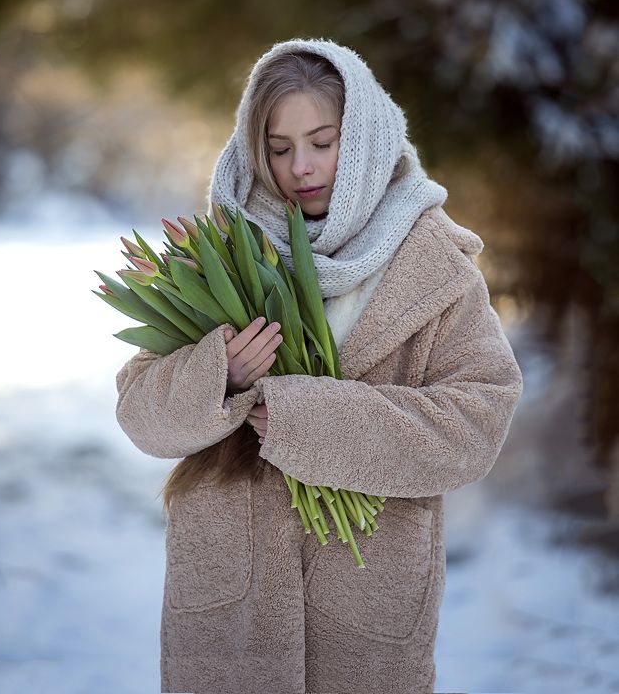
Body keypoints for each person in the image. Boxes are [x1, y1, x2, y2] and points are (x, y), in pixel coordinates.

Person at [115, 37, 524, 694]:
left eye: (322, 142)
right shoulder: (218, 256)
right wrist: (218, 375)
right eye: (279, 148)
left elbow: (477, 422)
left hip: (368, 608)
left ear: (362, 138)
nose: (300, 167)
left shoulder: (433, 268)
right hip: (231, 608)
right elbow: (140, 414)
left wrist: (313, 419)